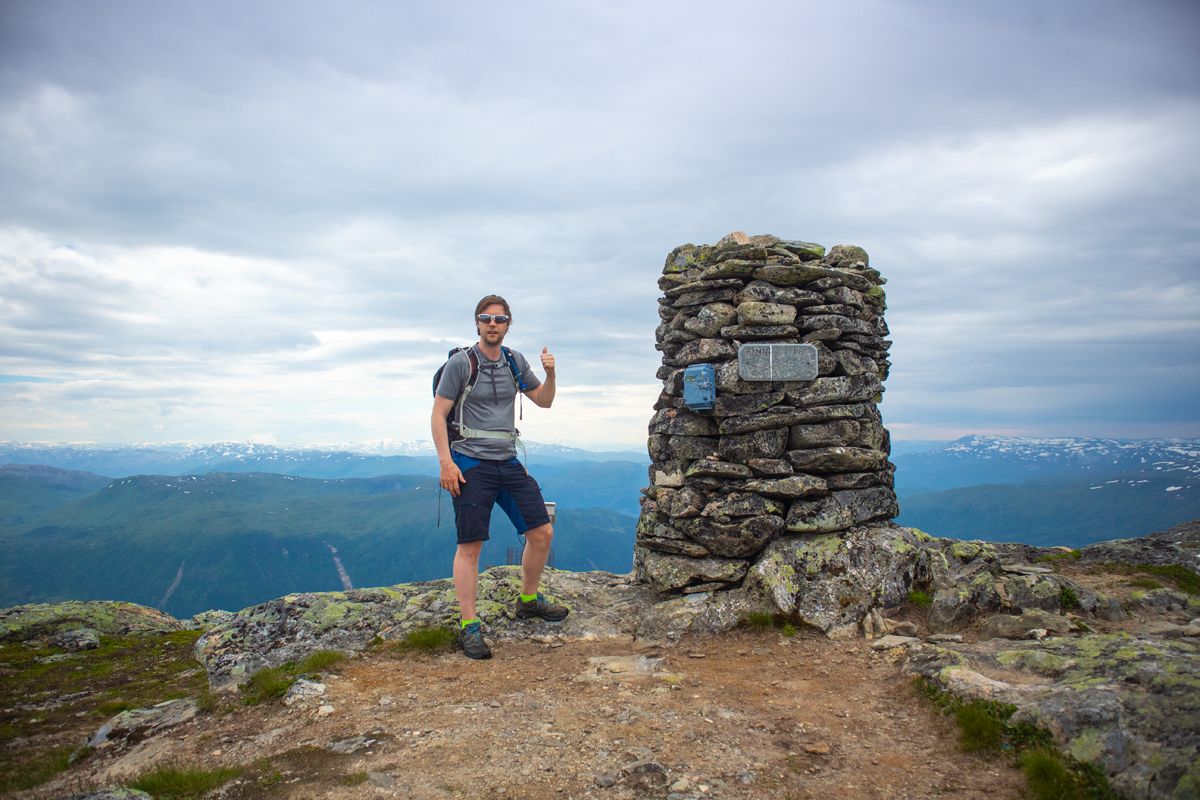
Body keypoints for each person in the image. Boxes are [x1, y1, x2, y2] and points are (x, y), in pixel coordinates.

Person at [431, 295, 569, 659]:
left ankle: (528, 601)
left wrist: (551, 374)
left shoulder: (514, 361)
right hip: (471, 463)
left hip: (506, 460)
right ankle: (469, 626)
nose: (493, 324)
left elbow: (544, 400)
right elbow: (437, 415)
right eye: (486, 318)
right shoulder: (462, 364)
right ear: (477, 323)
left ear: (508, 324)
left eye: (500, 319)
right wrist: (447, 463)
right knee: (471, 545)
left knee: (542, 532)